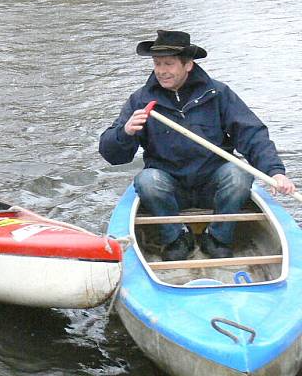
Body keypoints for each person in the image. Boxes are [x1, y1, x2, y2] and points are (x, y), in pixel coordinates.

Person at [99, 30, 295, 261]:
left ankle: (219, 237)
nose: (161, 70)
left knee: (238, 174)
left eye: (169, 64)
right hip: (169, 186)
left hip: (213, 184)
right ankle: (176, 237)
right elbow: (112, 155)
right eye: (157, 63)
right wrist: (126, 132)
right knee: (147, 180)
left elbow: (252, 134)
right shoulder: (141, 101)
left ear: (188, 65)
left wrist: (276, 172)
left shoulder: (218, 94)